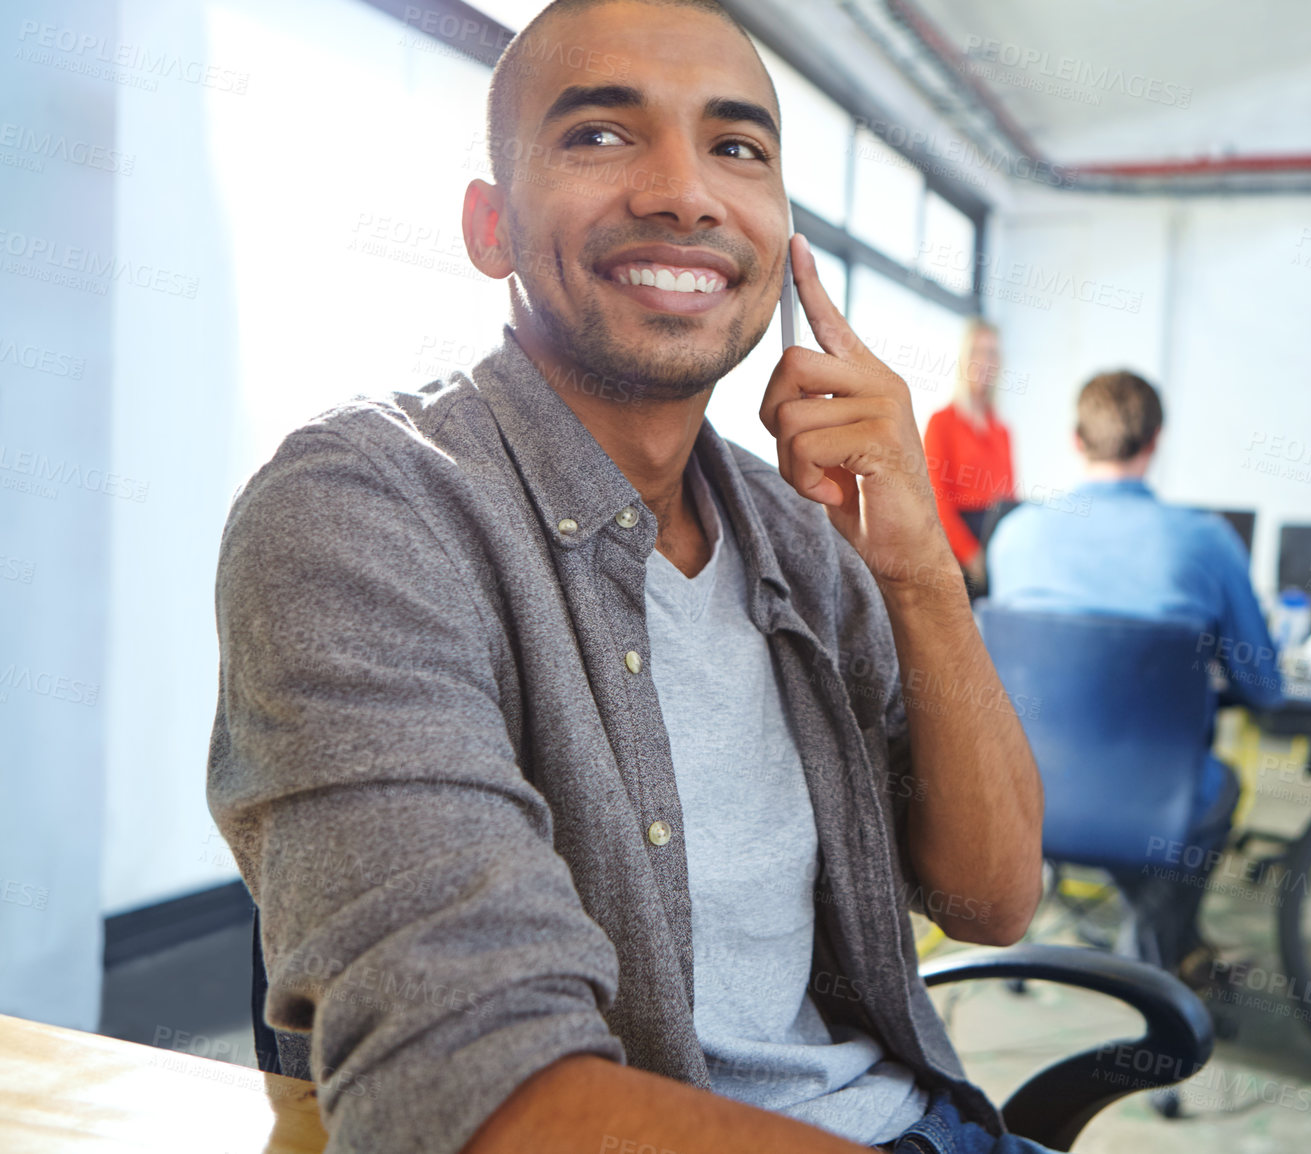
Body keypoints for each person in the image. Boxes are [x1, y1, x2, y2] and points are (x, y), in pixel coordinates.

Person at [205, 4, 1047, 1153]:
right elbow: (479, 1093)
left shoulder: (803, 533)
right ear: (490, 226)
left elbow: (993, 898)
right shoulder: (367, 510)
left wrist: (920, 574)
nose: (683, 193)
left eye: (737, 147)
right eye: (601, 134)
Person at [987, 370, 1281, 980]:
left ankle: (1162, 949)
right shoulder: (1206, 540)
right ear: (1156, 441)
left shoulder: (1015, 535)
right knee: (1215, 786)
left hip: (1020, 798)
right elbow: (1263, 687)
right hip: (1156, 807)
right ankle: (1156, 953)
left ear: (1076, 440)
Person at [922, 319, 1015, 595]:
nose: (985, 361)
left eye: (992, 353)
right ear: (964, 358)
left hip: (994, 549)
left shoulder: (1002, 431)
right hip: (956, 551)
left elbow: (1008, 499)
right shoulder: (941, 423)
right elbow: (936, 499)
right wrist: (971, 555)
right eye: (977, 351)